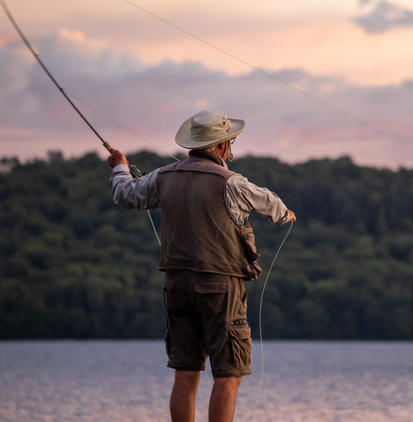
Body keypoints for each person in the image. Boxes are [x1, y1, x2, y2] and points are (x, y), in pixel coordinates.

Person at [105, 109, 296, 422]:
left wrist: (121, 168)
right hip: (221, 288)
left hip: (176, 287)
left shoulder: (162, 176)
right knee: (227, 376)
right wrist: (285, 215)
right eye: (230, 141)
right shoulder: (233, 182)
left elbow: (125, 194)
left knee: (186, 374)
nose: (231, 146)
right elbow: (272, 204)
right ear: (220, 147)